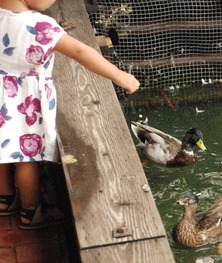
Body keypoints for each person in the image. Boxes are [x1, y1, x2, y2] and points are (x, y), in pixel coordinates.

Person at [0, 0, 139, 229]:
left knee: (3, 149)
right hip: (25, 104)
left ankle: (4, 199)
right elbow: (80, 51)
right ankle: (31, 212)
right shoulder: (40, 25)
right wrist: (118, 75)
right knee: (27, 158)